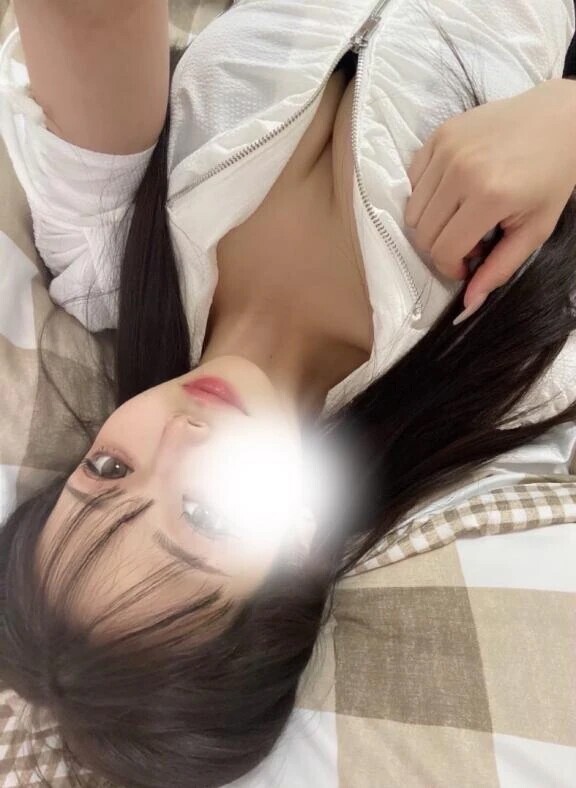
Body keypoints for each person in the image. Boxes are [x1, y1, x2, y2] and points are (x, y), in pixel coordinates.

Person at [0, 1, 575, 786]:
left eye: (108, 471)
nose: (179, 439)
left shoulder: (108, 250)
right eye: (202, 514)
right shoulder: (499, 383)